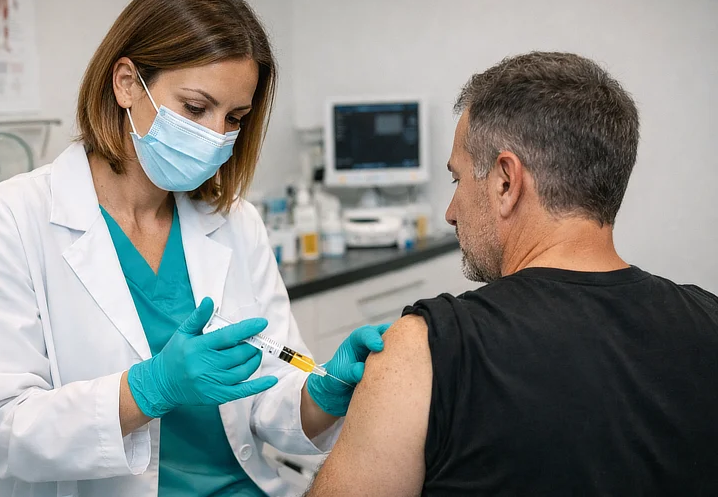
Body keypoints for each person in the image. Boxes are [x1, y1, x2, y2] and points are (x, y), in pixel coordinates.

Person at [0, 0, 387, 497]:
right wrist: (148, 389)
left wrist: (323, 392)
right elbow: (2, 430)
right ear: (126, 84)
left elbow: (270, 393)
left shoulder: (234, 221)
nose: (216, 135)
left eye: (234, 118)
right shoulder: (12, 218)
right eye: (195, 108)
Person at [307, 51, 718, 496]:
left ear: (506, 181)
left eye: (457, 180)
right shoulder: (709, 319)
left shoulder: (427, 349)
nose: (450, 213)